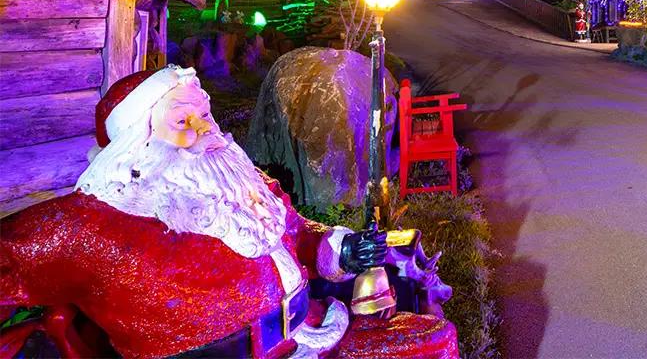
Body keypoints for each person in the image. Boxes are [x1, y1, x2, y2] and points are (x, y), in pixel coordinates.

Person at [0, 66, 455, 359]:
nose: (206, 132)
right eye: (182, 120)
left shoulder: (242, 183)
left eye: (207, 115)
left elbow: (298, 233)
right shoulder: (87, 225)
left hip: (309, 334)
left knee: (431, 338)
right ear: (136, 144)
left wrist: (342, 248)